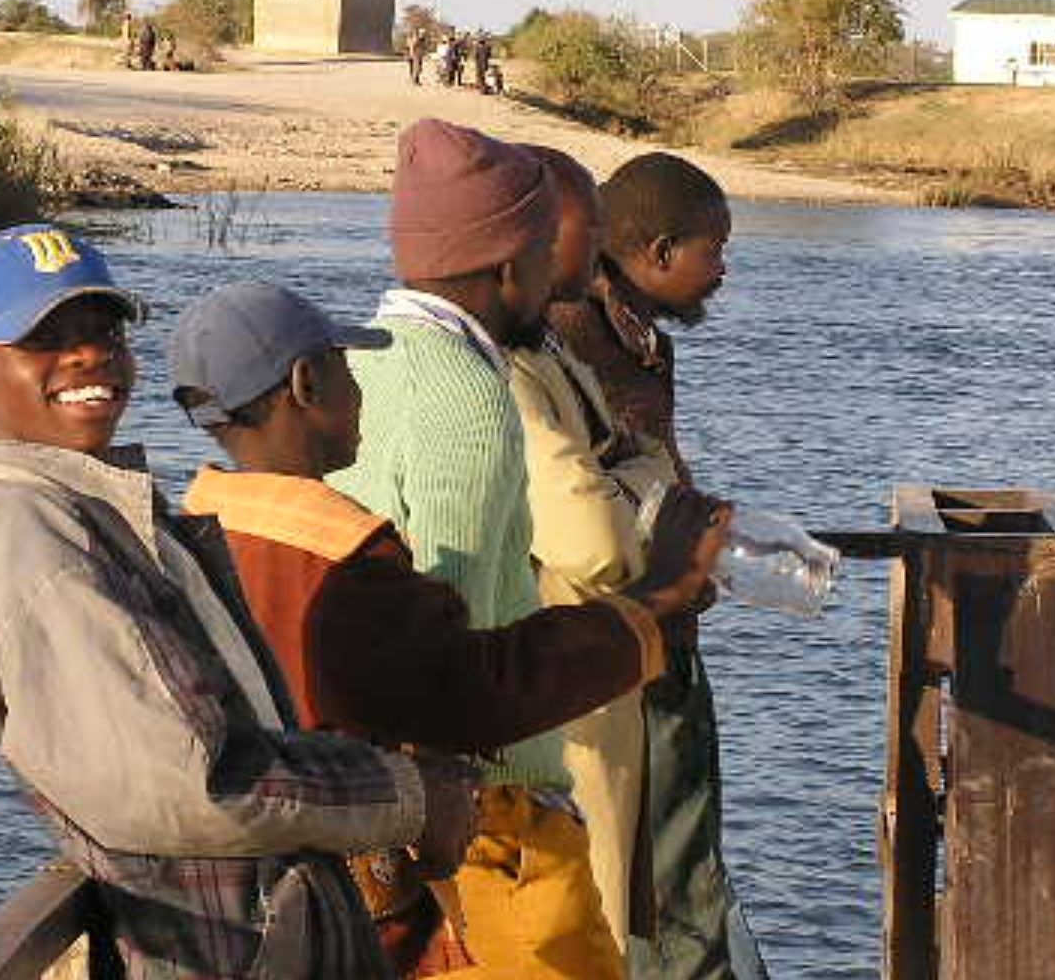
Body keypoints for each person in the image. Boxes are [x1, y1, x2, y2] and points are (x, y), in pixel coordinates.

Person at [0, 223, 477, 979]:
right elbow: (193, 783)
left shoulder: (96, 507)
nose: (89, 355)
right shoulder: (36, 530)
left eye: (104, 332)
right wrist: (410, 797)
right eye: (46, 339)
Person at [167, 280, 727, 977]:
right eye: (348, 367)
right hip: (367, 904)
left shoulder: (191, 541)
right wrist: (651, 603)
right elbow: (473, 691)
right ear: (307, 384)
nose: (363, 388)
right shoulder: (341, 563)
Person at [328, 119, 652, 979]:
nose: (557, 278)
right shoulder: (468, 389)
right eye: (546, 252)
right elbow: (454, 631)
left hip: (406, 797)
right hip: (486, 817)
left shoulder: (371, 354)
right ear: (509, 263)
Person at [549, 155, 767, 980]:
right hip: (621, 627)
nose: (723, 270)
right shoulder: (574, 333)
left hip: (653, 618)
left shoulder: (633, 334)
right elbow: (590, 496)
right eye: (716, 250)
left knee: (672, 837)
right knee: (668, 851)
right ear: (662, 251)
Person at [506, 149, 683, 963]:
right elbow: (598, 537)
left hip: (598, 671)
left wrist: (632, 474)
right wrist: (642, 486)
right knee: (578, 917)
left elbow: (636, 457)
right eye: (582, 231)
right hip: (561, 683)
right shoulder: (517, 366)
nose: (589, 250)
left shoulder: (551, 349)